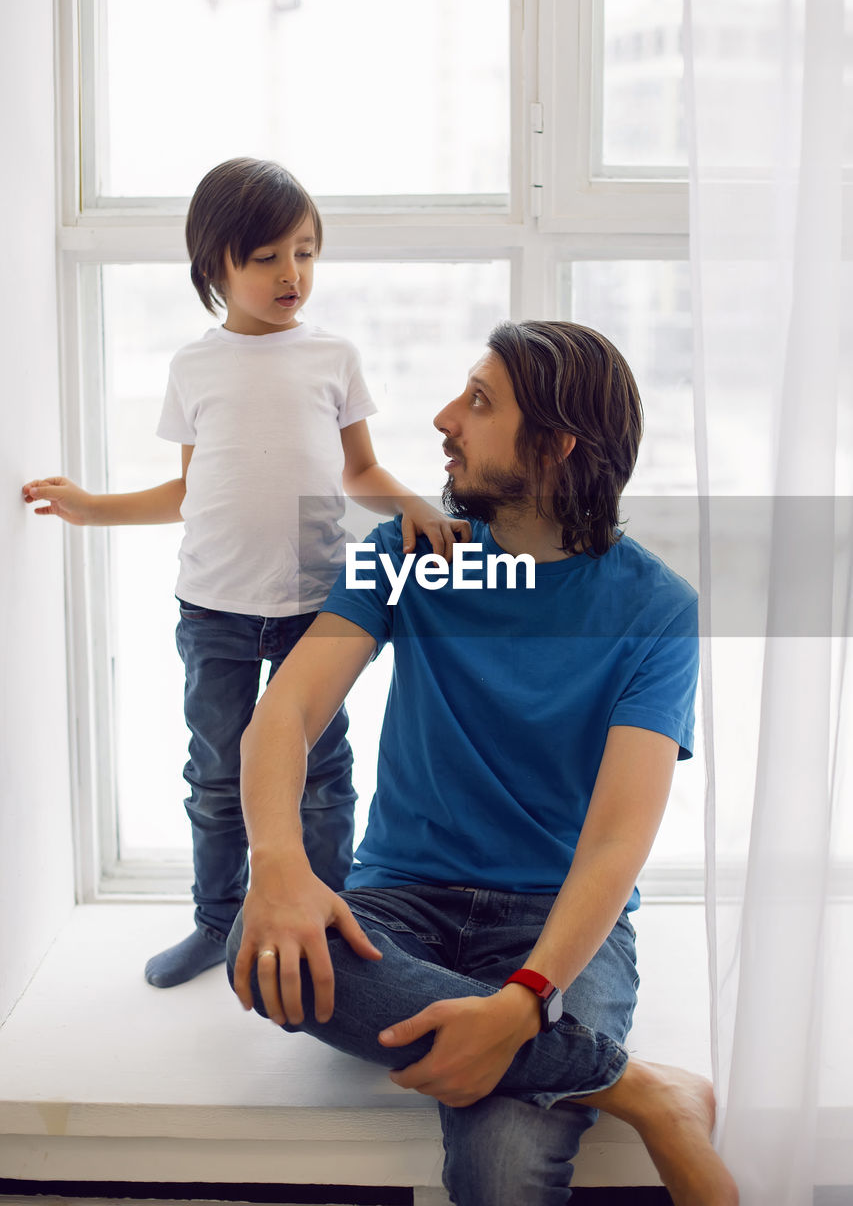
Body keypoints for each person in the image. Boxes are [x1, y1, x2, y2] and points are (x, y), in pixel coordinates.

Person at [226, 318, 739, 1206]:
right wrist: (277, 865)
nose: (441, 419)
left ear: (553, 446)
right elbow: (287, 710)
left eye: (477, 402)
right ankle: (639, 1089)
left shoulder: (656, 608)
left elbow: (618, 839)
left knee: (498, 1169)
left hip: (556, 923)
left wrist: (523, 999)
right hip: (402, 902)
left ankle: (571, 1057)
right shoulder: (408, 556)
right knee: (259, 939)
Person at [21, 157, 467, 990]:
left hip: (315, 608)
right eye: (264, 257)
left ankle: (333, 918)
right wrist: (91, 506)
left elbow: (358, 471)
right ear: (213, 268)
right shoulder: (195, 367)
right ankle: (218, 922)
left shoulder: (333, 356)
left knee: (322, 774)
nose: (289, 273)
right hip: (214, 609)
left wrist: (417, 506)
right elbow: (191, 491)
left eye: (303, 252)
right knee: (217, 776)